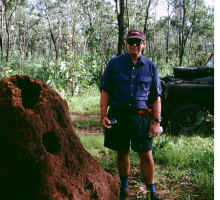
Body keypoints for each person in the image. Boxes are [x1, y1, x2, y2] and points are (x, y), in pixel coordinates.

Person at [100, 29, 162, 200]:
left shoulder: (150, 67)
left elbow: (156, 97)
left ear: (144, 44)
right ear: (126, 44)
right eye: (130, 41)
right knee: (122, 151)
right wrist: (103, 115)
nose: (134, 44)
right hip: (118, 115)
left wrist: (156, 121)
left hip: (141, 117)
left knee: (146, 153)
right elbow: (105, 91)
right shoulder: (114, 64)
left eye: (137, 41)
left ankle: (152, 190)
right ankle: (124, 186)